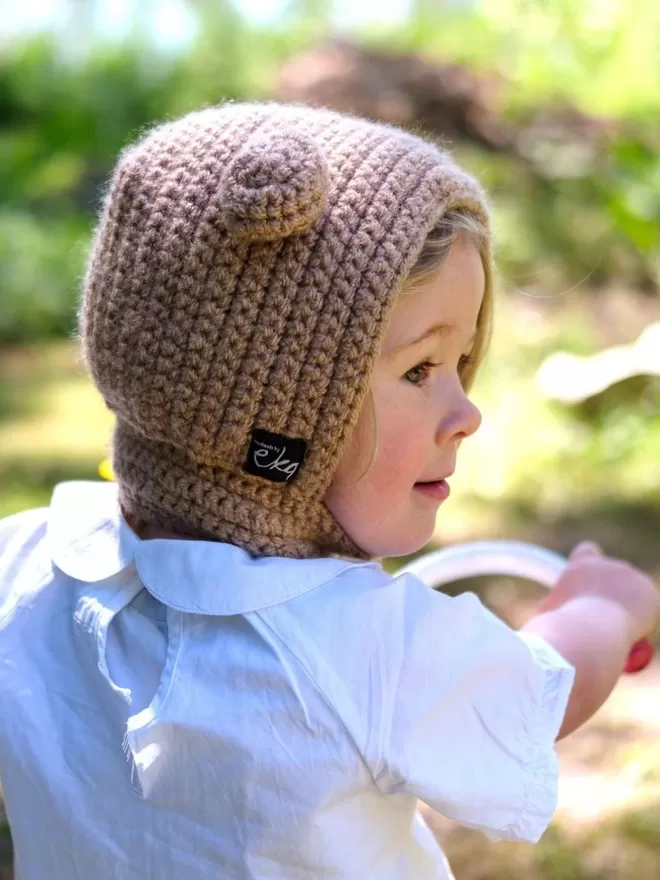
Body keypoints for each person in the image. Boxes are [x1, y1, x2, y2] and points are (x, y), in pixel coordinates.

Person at [0, 102, 657, 880]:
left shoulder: (24, 566)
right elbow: (538, 693)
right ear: (266, 420)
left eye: (462, 364)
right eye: (420, 370)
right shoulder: (360, 647)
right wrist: (604, 608)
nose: (467, 413)